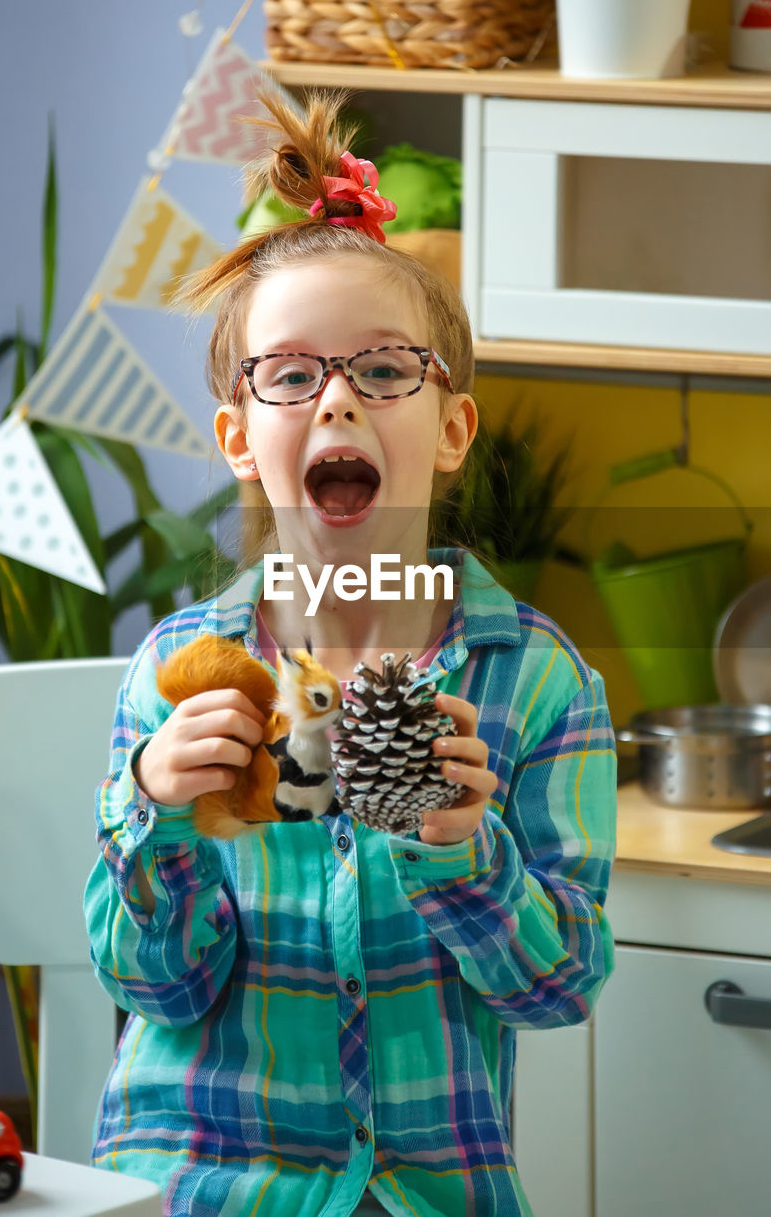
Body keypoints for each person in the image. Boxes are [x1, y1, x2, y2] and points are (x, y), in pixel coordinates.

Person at [84, 91, 617, 1217]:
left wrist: (464, 851)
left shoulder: (533, 681)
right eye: (290, 374)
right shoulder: (180, 666)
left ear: (453, 428)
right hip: (196, 1182)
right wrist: (154, 813)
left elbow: (559, 989)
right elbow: (155, 984)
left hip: (425, 1190)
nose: (335, 398)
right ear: (238, 438)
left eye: (382, 369)